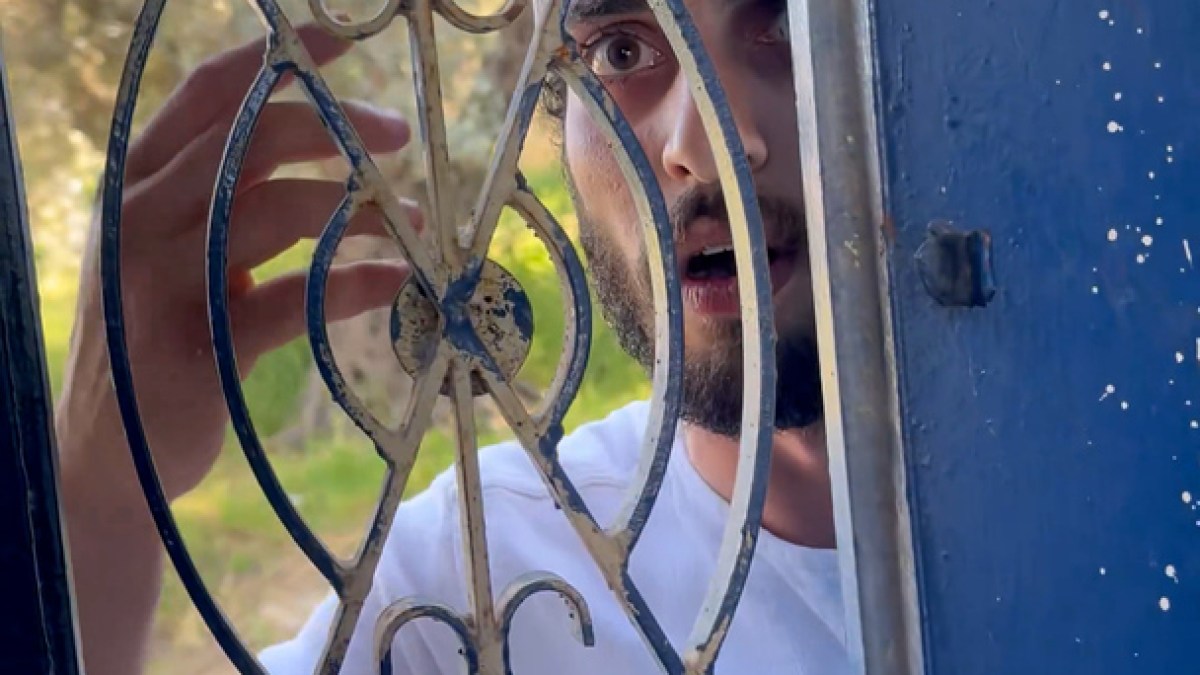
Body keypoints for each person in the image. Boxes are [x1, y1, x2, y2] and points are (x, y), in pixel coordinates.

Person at [57, 0, 848, 671]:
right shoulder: (471, 589)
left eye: (790, 25)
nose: (705, 148)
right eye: (621, 50)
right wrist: (101, 492)